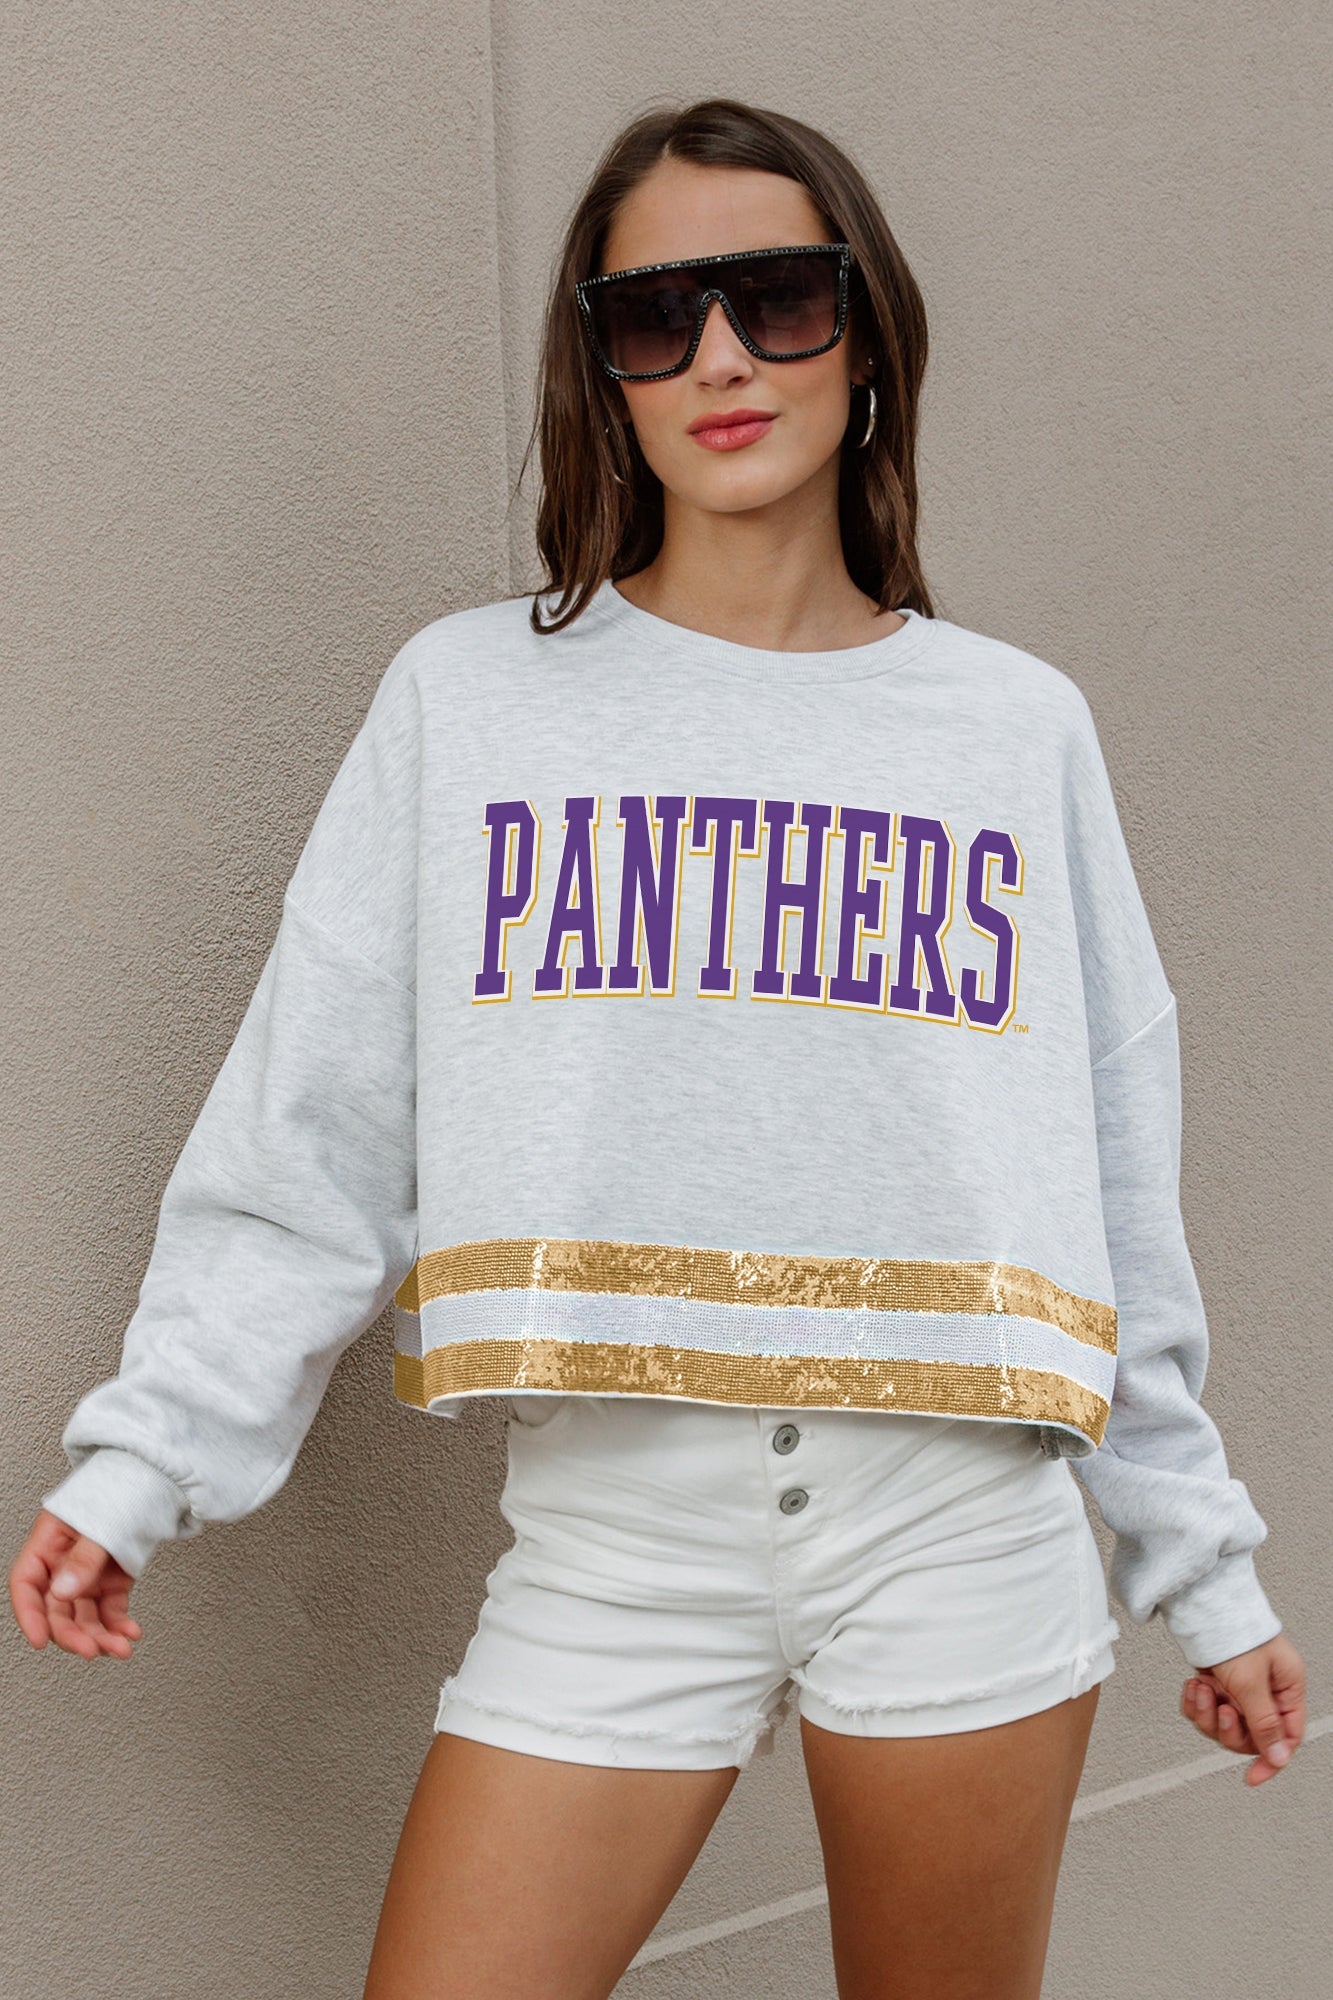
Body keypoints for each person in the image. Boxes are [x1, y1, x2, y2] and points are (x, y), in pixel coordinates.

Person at [10, 97, 1306, 2000]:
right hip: (613, 1536)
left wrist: (1201, 1565)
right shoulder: (471, 702)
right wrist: (145, 1461)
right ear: (599, 377)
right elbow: (317, 1127)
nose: (718, 356)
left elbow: (1106, 1171)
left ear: (865, 338)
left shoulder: (1009, 728)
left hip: (955, 1526)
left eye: (776, 298)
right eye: (652, 315)